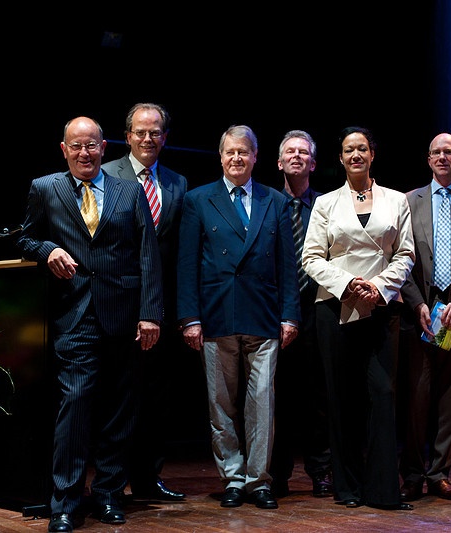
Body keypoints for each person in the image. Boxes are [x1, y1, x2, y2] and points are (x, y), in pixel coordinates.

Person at [16, 116, 163, 532]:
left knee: (119, 413)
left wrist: (150, 313)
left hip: (124, 316)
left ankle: (109, 496)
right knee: (75, 407)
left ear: (104, 147)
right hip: (74, 314)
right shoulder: (45, 188)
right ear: (64, 150)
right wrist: (48, 250)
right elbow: (25, 238)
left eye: (92, 145)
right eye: (77, 146)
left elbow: (148, 254)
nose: (85, 153)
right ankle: (64, 502)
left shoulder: (129, 190)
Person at [176, 124, 301, 510]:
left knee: (262, 403)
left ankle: (258, 480)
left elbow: (287, 265)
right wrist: (189, 318)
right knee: (221, 404)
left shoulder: (274, 201)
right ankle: (232, 477)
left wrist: (290, 316)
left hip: (264, 315)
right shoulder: (198, 199)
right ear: (220, 157)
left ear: (255, 157)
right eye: (230, 152)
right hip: (216, 315)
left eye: (243, 152)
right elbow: (187, 264)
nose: (236, 158)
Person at [302, 126, 415, 511]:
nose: (355, 155)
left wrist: (378, 287)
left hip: (381, 307)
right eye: (349, 150)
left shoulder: (396, 200)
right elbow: (311, 257)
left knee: (382, 394)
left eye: (362, 148)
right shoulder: (326, 203)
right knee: (341, 397)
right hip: (336, 307)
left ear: (372, 154)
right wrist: (348, 284)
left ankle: (383, 490)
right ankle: (347, 487)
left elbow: (405, 253)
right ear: (340, 158)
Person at [101, 102, 190, 503]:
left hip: (161, 305)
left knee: (157, 396)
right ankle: (111, 480)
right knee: (117, 397)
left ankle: (148, 479)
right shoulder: (106, 175)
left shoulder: (177, 183)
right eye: (141, 132)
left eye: (155, 132)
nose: (148, 138)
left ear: (164, 138)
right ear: (128, 136)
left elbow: (177, 250)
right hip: (116, 303)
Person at [398, 133, 451, 502]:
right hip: (420, 311)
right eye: (436, 152)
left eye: (449, 152)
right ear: (428, 159)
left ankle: (439, 474)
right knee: (417, 396)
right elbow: (399, 258)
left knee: (449, 396)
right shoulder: (407, 201)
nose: (442, 157)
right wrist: (416, 303)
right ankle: (412, 474)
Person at [269, 130, 333, 499]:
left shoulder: (327, 205)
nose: (296, 156)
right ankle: (277, 472)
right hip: (274, 312)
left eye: (303, 152)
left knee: (318, 396)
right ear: (279, 162)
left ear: (313, 163)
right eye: (290, 151)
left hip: (318, 309)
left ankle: (321, 470)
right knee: (278, 397)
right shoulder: (266, 202)